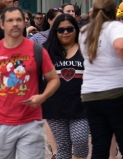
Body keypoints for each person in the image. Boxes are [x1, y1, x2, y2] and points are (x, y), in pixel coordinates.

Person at [0, 6, 59, 159]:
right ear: (2, 24)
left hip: (31, 124)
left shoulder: (37, 50)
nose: (15, 24)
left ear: (25, 23)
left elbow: (54, 79)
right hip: (0, 124)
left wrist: (43, 97)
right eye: (10, 20)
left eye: (18, 20)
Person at [79, 0, 123, 159]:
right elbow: (121, 46)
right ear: (114, 10)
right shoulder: (116, 27)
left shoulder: (85, 31)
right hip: (118, 92)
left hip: (91, 94)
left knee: (100, 146)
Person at [42, 14, 88, 159]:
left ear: (76, 29)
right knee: (62, 148)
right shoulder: (46, 50)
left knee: (80, 141)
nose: (65, 32)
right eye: (61, 30)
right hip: (54, 106)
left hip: (81, 106)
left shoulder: (85, 49)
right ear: (55, 32)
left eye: (70, 29)